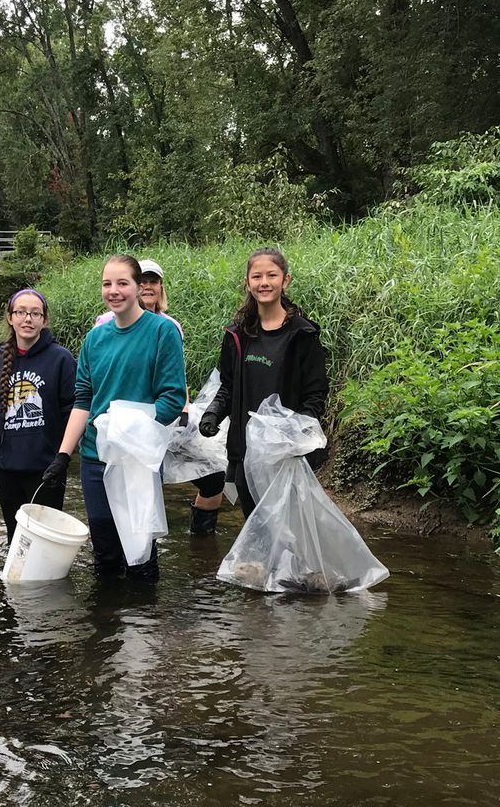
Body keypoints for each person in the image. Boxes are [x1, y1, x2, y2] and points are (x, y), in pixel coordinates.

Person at [42, 255, 187, 582]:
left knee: (140, 552)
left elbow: (173, 397)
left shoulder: (162, 332)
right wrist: (63, 455)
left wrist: (129, 429)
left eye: (123, 283)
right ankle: (107, 626)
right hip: (96, 458)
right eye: (107, 284)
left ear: (138, 287)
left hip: (138, 458)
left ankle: (142, 625)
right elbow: (83, 400)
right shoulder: (95, 338)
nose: (114, 290)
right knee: (105, 551)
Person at [96, 258, 223, 535]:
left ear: (160, 286)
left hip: (164, 415)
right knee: (127, 489)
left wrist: (184, 407)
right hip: (126, 423)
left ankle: (200, 542)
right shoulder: (106, 323)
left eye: (153, 281)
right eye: (142, 281)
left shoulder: (169, 326)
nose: (148, 287)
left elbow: (175, 374)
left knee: (213, 477)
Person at [199, 247, 329, 518]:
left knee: (287, 536)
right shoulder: (236, 335)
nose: (264, 282)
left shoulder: (303, 335)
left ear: (286, 280)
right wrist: (213, 413)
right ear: (247, 283)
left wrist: (293, 436)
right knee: (256, 529)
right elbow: (228, 386)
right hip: (245, 453)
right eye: (257, 277)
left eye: (272, 275)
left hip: (287, 456)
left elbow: (315, 396)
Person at [0, 289, 76, 544]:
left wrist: (63, 457)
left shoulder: (61, 359)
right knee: (14, 539)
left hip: (46, 468)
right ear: (10, 317)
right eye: (21, 312)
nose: (28, 319)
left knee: (43, 541)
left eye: (35, 313)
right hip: (7, 468)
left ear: (44, 320)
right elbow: (1, 415)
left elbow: (74, 413)